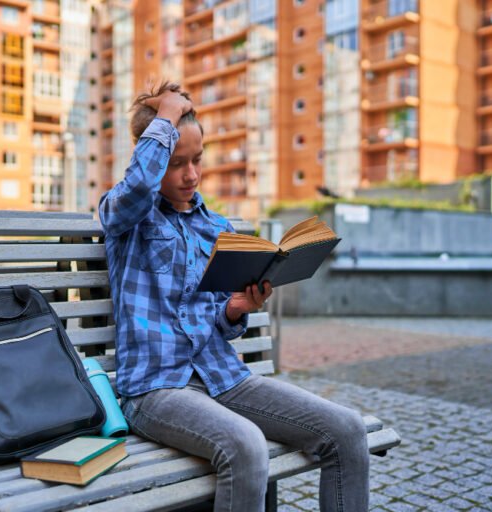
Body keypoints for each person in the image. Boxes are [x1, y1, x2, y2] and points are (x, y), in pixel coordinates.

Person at [98, 82, 369, 512]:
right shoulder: (128, 217)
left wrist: (234, 310)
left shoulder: (216, 227)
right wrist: (166, 118)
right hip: (155, 389)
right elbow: (134, 190)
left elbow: (212, 318)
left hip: (222, 377)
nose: (191, 175)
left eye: (197, 160)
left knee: (348, 431)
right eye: (175, 164)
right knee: (246, 445)